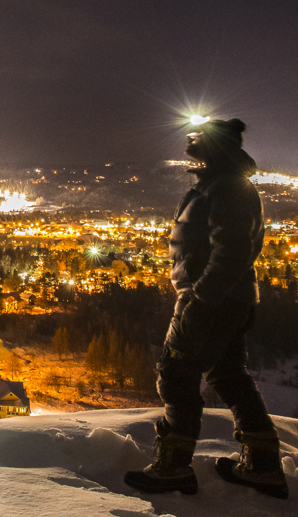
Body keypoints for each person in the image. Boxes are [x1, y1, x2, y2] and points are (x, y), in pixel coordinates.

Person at [123, 117, 288, 499]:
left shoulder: (228, 189)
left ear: (215, 150)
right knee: (229, 374)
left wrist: (200, 298)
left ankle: (173, 466)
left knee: (176, 373)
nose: (190, 153)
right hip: (227, 299)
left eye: (197, 145)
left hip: (211, 301)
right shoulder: (222, 185)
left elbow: (232, 252)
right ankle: (262, 466)